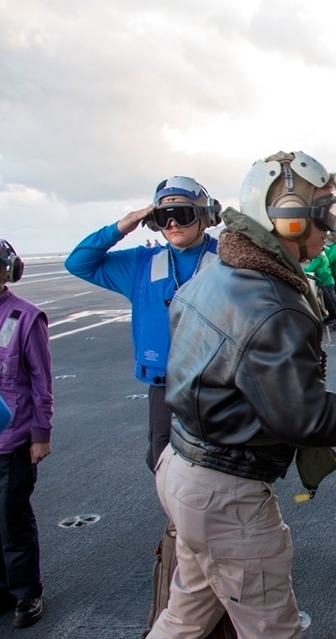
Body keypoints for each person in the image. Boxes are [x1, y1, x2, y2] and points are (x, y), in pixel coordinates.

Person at [146, 151, 336, 639]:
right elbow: (305, 420)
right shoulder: (274, 305)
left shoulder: (216, 272)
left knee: (185, 619)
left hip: (182, 470)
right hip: (226, 494)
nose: (330, 228)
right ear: (286, 219)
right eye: (323, 214)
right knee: (273, 631)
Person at [65, 176, 222, 472]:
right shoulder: (141, 264)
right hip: (166, 383)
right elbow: (79, 263)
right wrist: (121, 226)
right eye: (164, 216)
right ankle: (178, 518)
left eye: (183, 214)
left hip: (220, 381)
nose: (173, 223)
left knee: (223, 458)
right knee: (163, 458)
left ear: (204, 216)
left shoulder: (229, 258)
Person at [0, 234, 52, 629]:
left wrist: (40, 433)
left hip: (11, 440)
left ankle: (26, 593)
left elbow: (41, 381)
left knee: (11, 521)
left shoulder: (25, 317)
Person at [304, 249, 336, 330]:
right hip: (328, 281)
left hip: (326, 283)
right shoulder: (323, 256)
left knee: (334, 304)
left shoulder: (319, 259)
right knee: (332, 303)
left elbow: (308, 269)